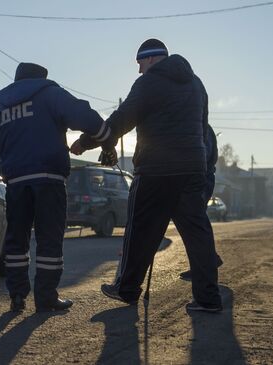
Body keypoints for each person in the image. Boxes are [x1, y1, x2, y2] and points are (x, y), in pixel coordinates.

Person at [71, 39, 223, 312]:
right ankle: (209, 299)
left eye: (140, 63)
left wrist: (85, 142)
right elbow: (203, 128)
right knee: (197, 233)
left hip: (156, 169)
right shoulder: (196, 84)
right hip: (192, 168)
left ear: (151, 58)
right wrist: (199, 161)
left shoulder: (149, 83)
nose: (139, 70)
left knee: (140, 231)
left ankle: (127, 289)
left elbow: (121, 120)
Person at [0, 62, 105, 313]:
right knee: (49, 239)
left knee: (16, 240)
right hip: (48, 178)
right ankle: (46, 298)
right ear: (41, 78)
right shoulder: (50, 95)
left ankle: (17, 296)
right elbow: (83, 115)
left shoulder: (1, 107)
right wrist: (104, 135)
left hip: (16, 182)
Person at [177, 124, 223, 281]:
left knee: (195, 224)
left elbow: (203, 156)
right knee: (194, 225)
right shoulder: (199, 126)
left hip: (200, 179)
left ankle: (206, 265)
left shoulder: (202, 128)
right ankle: (206, 263)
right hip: (198, 179)